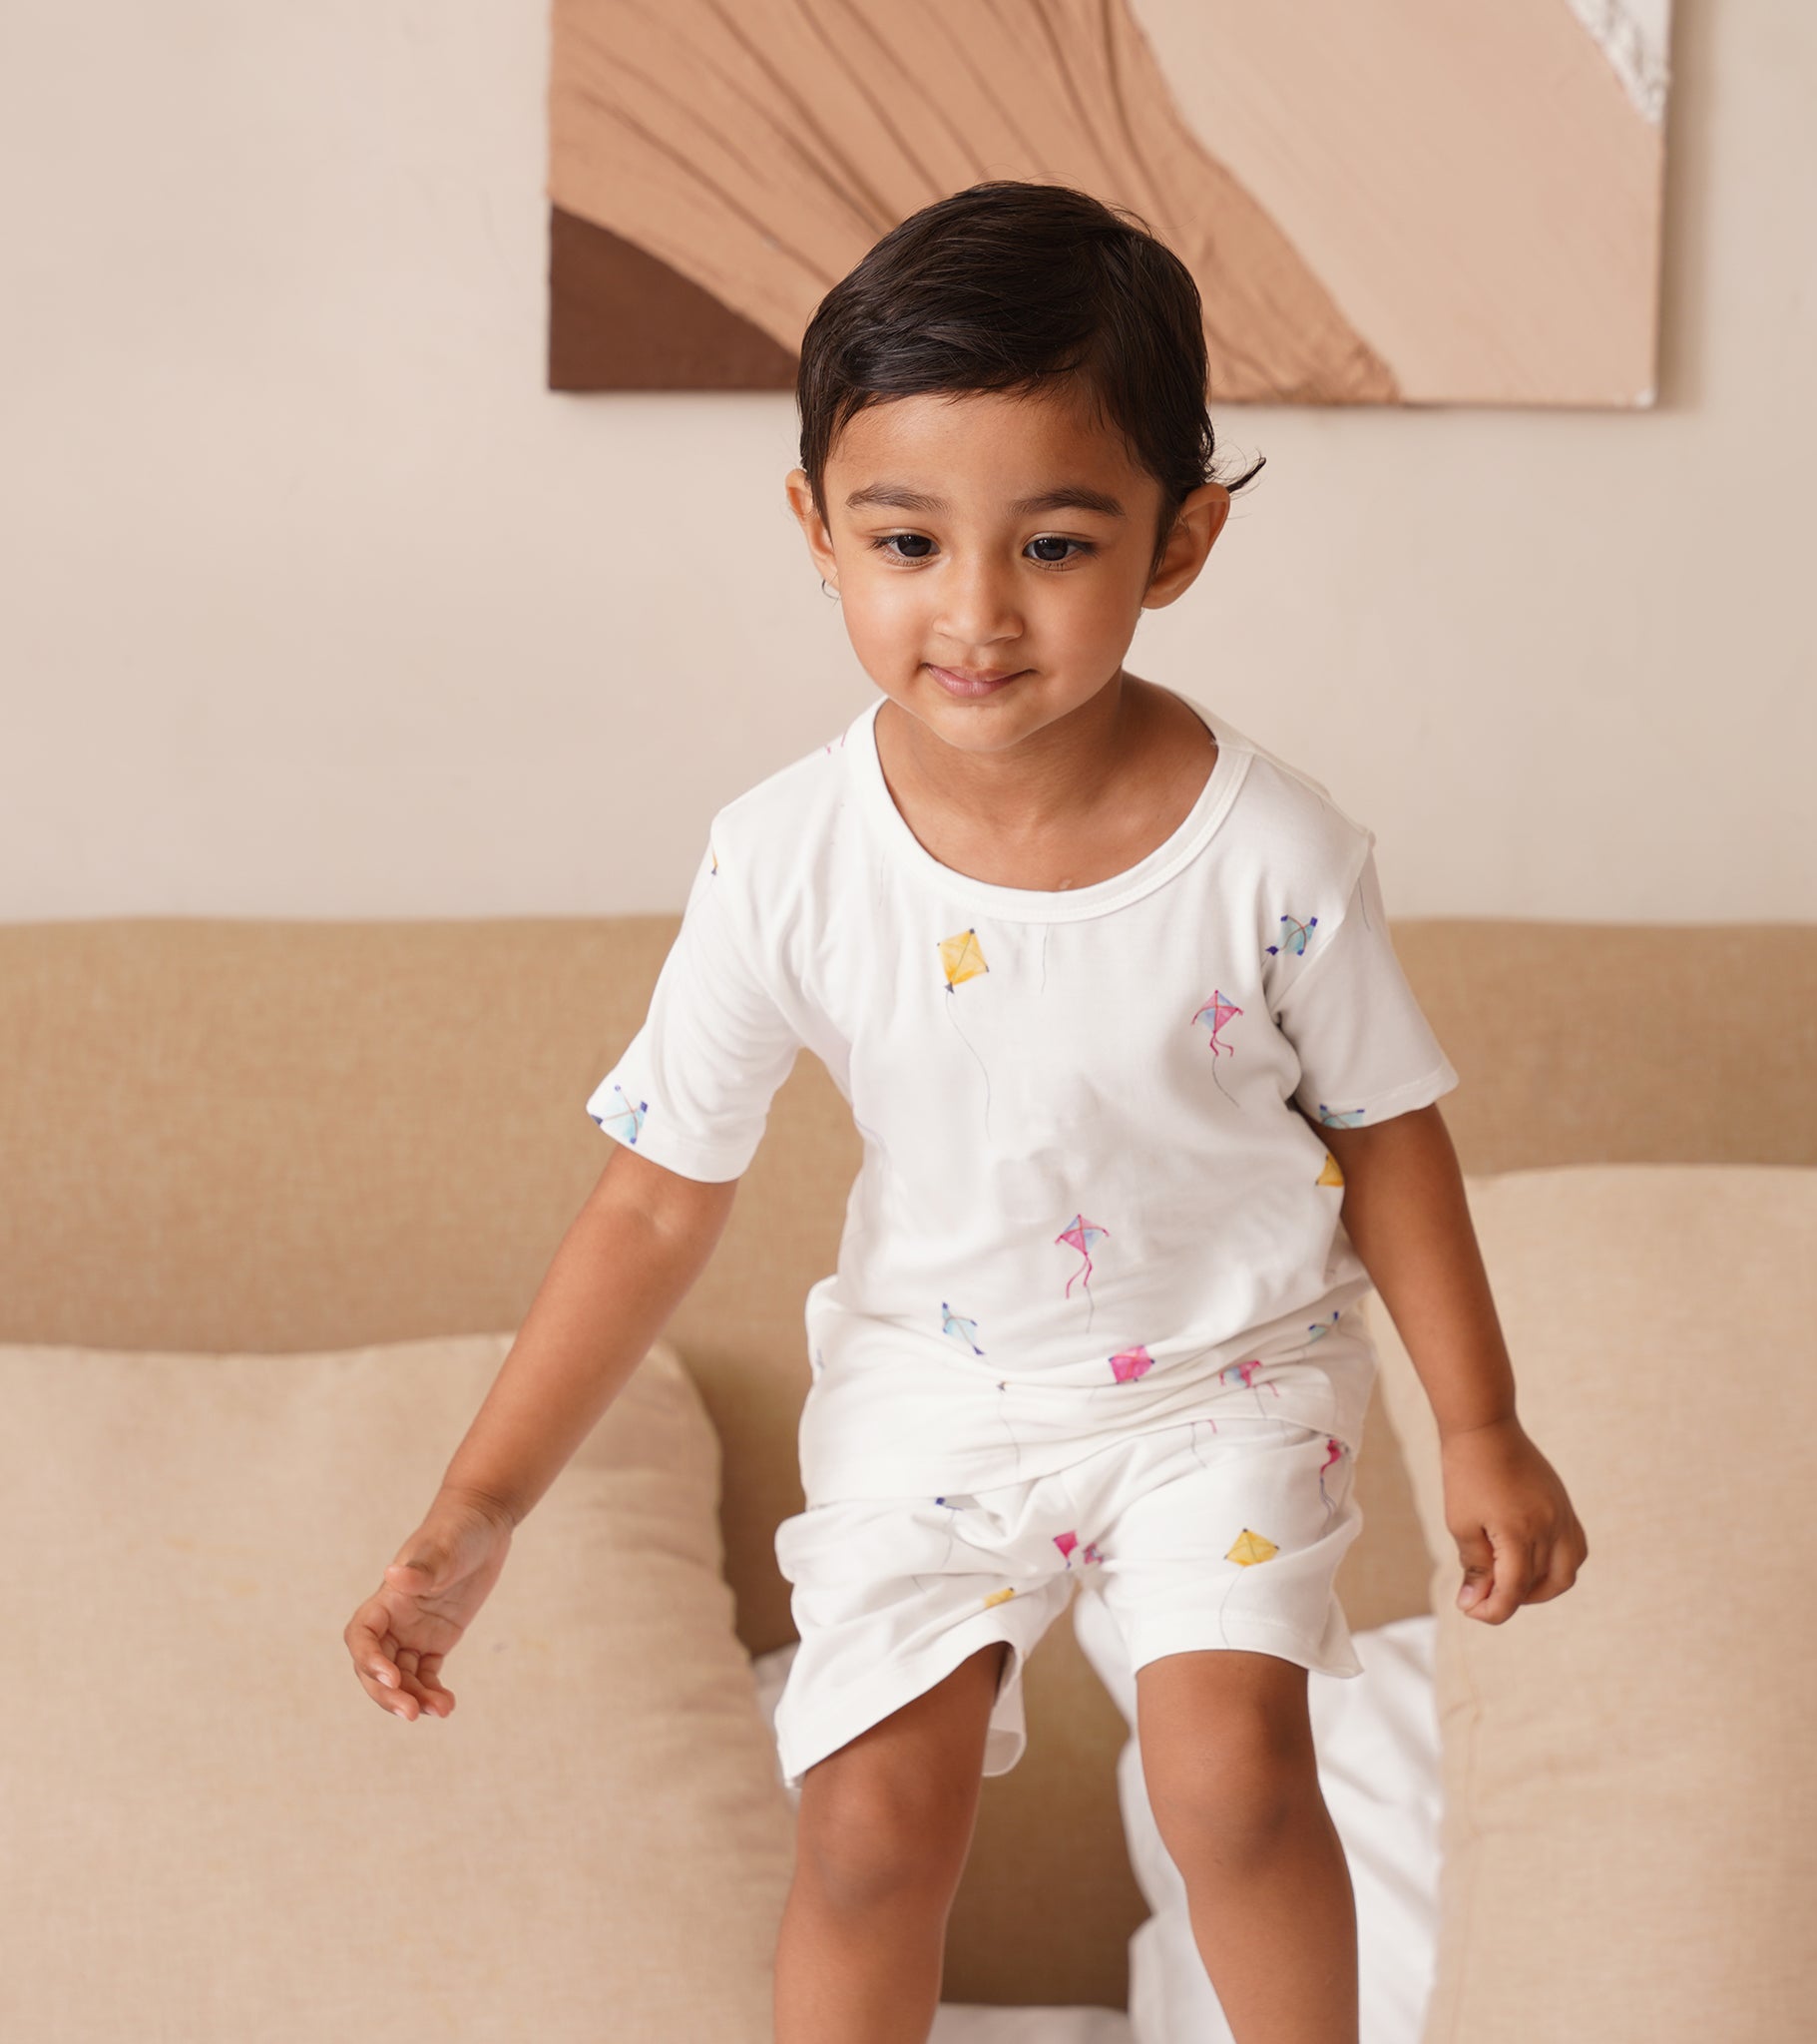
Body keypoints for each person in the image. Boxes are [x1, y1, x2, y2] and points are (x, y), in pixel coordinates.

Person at [343, 180, 1589, 2044]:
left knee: (1234, 1776)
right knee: (864, 1821)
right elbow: (652, 1205)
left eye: (1058, 546)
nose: (975, 614)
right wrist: (476, 1507)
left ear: (1180, 545)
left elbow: (1389, 1130)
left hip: (1223, 1378)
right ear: (817, 531)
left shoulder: (1274, 850)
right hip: (940, 1392)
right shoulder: (782, 861)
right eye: (908, 540)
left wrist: (1477, 1423)